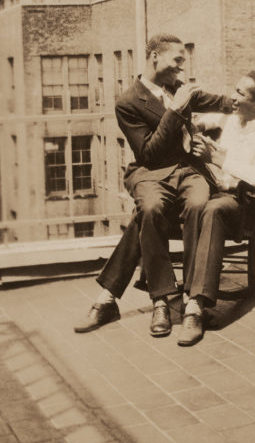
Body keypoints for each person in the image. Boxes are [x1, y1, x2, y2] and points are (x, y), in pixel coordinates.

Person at [74, 33, 231, 337]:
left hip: (188, 171)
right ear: (154, 56)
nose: (181, 69)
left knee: (198, 204)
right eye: (177, 61)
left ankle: (188, 301)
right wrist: (174, 111)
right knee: (150, 207)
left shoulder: (177, 88)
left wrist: (254, 107)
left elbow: (219, 101)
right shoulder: (128, 102)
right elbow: (149, 152)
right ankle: (160, 300)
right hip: (149, 172)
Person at [178, 70, 255, 345]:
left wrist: (220, 159)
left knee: (212, 210)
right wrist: (199, 136)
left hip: (242, 204)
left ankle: (195, 307)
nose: (232, 98)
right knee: (185, 203)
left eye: (240, 93)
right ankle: (168, 289)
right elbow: (208, 120)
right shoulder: (235, 120)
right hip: (216, 190)